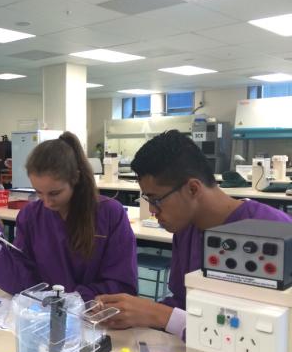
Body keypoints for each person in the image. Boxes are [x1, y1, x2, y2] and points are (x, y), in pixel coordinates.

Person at [96, 130, 292, 338]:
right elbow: (184, 302)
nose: (152, 211)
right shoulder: (186, 227)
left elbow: (266, 331)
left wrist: (159, 315)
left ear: (192, 189)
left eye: (156, 199)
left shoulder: (273, 232)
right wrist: (134, 314)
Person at [0, 131, 138, 302]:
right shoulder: (31, 215)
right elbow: (21, 281)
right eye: (39, 192)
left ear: (75, 178)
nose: (47, 202)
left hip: (94, 316)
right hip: (45, 314)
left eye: (55, 193)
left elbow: (122, 285)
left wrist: (70, 299)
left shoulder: (109, 214)